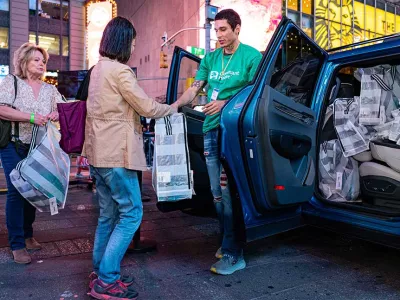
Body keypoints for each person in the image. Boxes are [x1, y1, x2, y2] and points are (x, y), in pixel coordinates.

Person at [83, 17, 177, 300]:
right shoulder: (121, 72)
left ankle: (101, 271)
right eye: (133, 41)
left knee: (108, 215)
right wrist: (173, 106)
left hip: (98, 154)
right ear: (123, 41)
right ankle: (107, 280)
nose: (135, 46)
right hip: (117, 156)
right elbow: (146, 107)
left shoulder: (98, 70)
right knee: (132, 214)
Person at [174, 9, 262, 275]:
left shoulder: (252, 56)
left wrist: (225, 102)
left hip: (234, 131)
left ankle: (235, 253)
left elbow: (254, 93)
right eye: (216, 30)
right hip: (211, 129)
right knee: (215, 193)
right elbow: (195, 88)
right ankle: (226, 242)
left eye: (223, 29)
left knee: (227, 191)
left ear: (237, 29)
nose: (218, 35)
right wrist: (172, 107)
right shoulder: (211, 59)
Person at [0, 42, 62, 264]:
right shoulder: (12, 83)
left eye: (43, 61)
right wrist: (31, 117)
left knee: (33, 188)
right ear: (24, 62)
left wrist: (57, 113)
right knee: (17, 189)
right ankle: (17, 244)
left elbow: (64, 108)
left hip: (37, 147)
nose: (41, 64)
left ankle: (27, 235)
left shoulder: (49, 89)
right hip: (12, 145)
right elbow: (1, 109)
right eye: (36, 59)